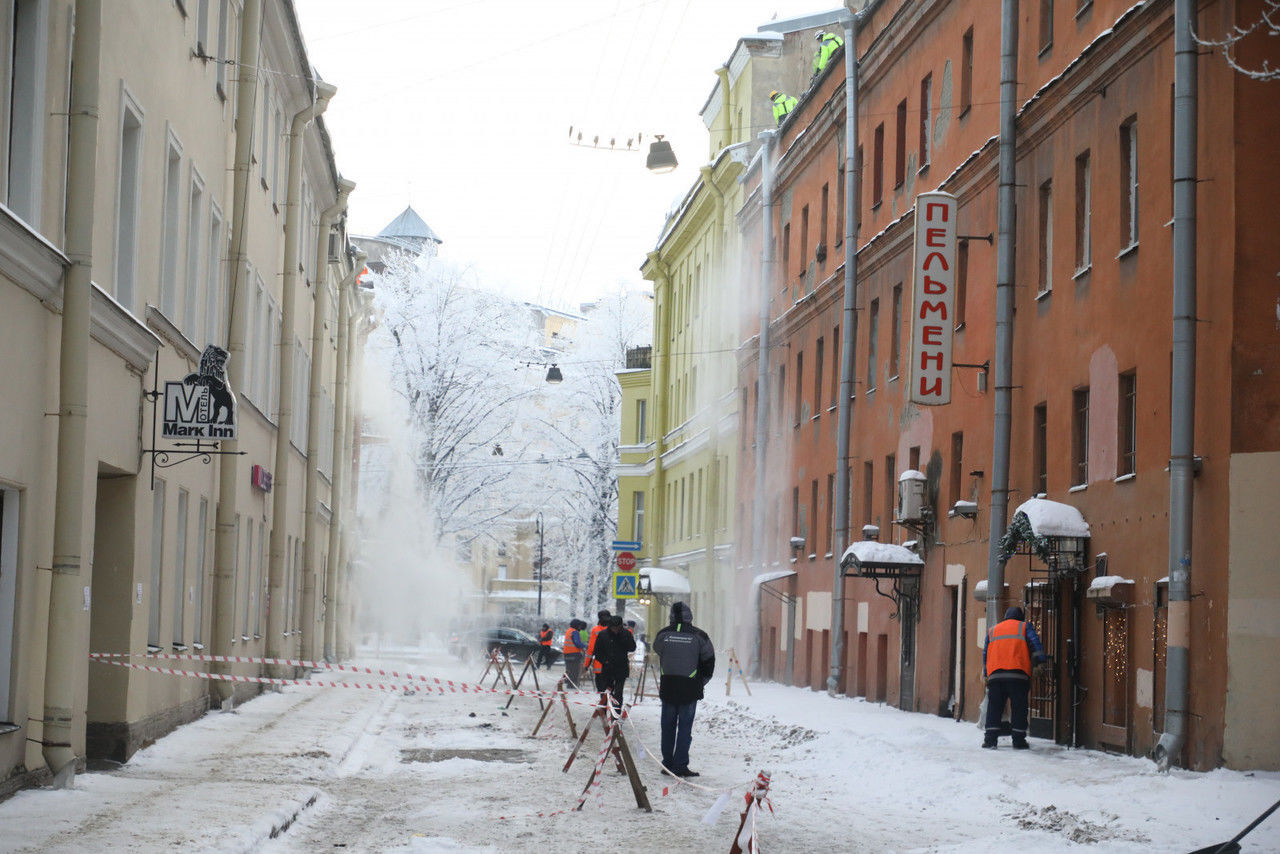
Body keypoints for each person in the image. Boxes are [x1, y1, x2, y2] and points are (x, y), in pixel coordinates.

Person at [651, 601, 715, 778]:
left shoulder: (663, 635)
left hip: (668, 687)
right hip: (689, 689)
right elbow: (709, 659)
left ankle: (667, 764)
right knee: (685, 729)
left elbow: (657, 648)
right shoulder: (699, 636)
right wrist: (701, 681)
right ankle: (680, 765)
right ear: (690, 616)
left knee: (667, 727)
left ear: (670, 615)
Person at [982, 605, 1048, 750]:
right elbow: (1035, 644)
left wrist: (986, 673)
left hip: (996, 676)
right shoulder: (1024, 627)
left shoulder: (993, 630)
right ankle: (1018, 741)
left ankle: (990, 740)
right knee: (1019, 708)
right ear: (1020, 617)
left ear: (1005, 617)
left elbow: (985, 653)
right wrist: (1041, 662)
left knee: (994, 708)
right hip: (1018, 675)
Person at [591, 615, 637, 710]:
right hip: (607, 668)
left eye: (617, 628)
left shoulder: (626, 634)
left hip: (621, 668)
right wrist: (605, 661)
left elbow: (632, 647)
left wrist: (625, 641)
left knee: (618, 693)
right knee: (606, 693)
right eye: (613, 628)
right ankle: (604, 713)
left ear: (621, 627)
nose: (615, 630)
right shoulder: (603, 635)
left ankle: (616, 715)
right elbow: (597, 651)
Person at [582, 609, 611, 682]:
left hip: (599, 665)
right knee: (611, 689)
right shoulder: (614, 629)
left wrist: (586, 665)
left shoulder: (595, 630)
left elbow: (591, 649)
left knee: (602, 689)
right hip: (613, 665)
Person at [562, 619, 586, 687]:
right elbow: (577, 643)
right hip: (574, 654)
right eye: (579, 626)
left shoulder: (568, 631)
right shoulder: (575, 632)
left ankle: (569, 683)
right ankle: (572, 685)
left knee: (569, 669)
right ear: (576, 625)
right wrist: (585, 646)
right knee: (575, 670)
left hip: (567, 654)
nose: (580, 627)